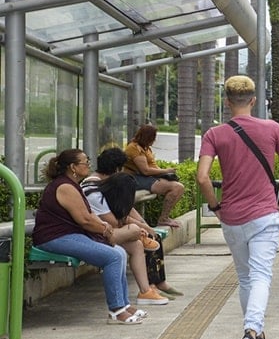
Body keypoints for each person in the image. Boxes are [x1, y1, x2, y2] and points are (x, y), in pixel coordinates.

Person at [196, 75, 279, 339]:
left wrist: (215, 206)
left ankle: (255, 336)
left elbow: (202, 178)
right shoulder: (272, 128)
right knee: (260, 276)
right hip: (264, 216)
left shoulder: (214, 134)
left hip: (232, 218)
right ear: (254, 100)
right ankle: (250, 333)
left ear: (227, 101)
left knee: (246, 278)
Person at [31, 149, 150, 325]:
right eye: (84, 162)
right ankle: (116, 310)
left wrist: (104, 227)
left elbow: (89, 215)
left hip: (70, 235)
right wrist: (105, 230)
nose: (88, 165)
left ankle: (124, 305)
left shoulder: (73, 185)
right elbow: (85, 220)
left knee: (119, 252)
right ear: (73, 167)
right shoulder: (64, 187)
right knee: (113, 256)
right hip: (55, 238)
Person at [82, 148, 184, 304]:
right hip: (99, 231)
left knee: (143, 238)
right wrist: (141, 227)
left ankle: (150, 288)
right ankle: (152, 285)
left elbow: (125, 207)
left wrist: (145, 224)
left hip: (110, 228)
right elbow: (114, 220)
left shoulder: (107, 182)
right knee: (141, 233)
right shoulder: (94, 188)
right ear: (117, 169)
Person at [123, 124, 185, 228]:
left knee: (178, 186)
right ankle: (163, 219)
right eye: (153, 137)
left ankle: (165, 217)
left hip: (147, 178)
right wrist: (166, 170)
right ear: (147, 137)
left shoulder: (145, 148)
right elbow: (145, 171)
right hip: (136, 178)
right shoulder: (134, 148)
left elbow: (152, 166)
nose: (155, 140)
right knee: (177, 187)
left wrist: (166, 174)